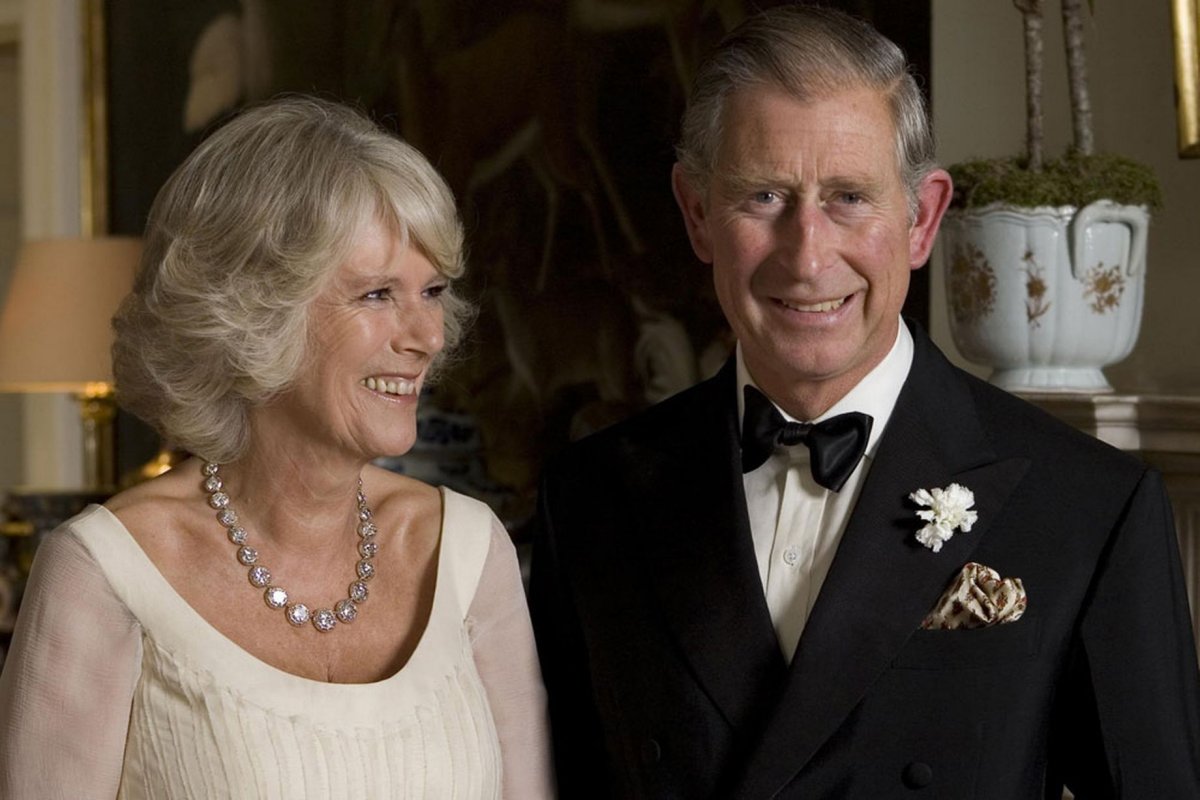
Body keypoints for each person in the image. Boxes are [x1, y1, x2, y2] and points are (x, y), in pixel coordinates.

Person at [529, 6, 1200, 798]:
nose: (807, 256)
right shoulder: (591, 497)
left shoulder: (1088, 507)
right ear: (697, 212)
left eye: (849, 197)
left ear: (922, 218)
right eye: (763, 197)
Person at [0, 95, 554, 798]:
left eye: (433, 291)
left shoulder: (469, 552)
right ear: (252, 314)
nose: (428, 335)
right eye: (378, 294)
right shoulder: (105, 573)